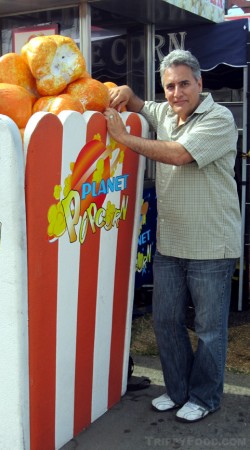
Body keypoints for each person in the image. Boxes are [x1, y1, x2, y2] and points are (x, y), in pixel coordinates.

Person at [104, 49, 241, 423]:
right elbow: (141, 104)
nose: (177, 92)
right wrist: (128, 93)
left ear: (200, 82)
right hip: (172, 240)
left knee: (209, 330)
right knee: (165, 321)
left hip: (211, 243)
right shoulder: (164, 111)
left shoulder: (219, 118)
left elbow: (179, 154)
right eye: (170, 86)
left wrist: (123, 138)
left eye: (184, 83)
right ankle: (178, 390)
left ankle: (205, 396)